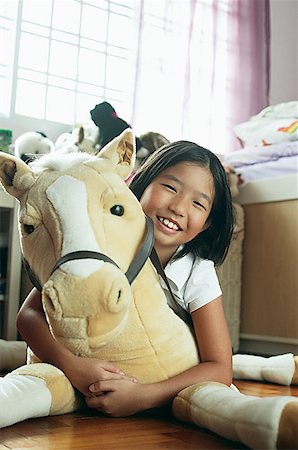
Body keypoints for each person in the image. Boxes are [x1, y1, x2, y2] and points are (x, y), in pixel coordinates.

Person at [16, 140, 234, 417]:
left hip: (151, 387)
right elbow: (28, 316)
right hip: (83, 374)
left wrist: (143, 397)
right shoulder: (99, 241)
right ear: (140, 186)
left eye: (198, 203)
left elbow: (220, 367)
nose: (179, 206)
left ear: (207, 224)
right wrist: (72, 366)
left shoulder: (196, 271)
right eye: (170, 187)